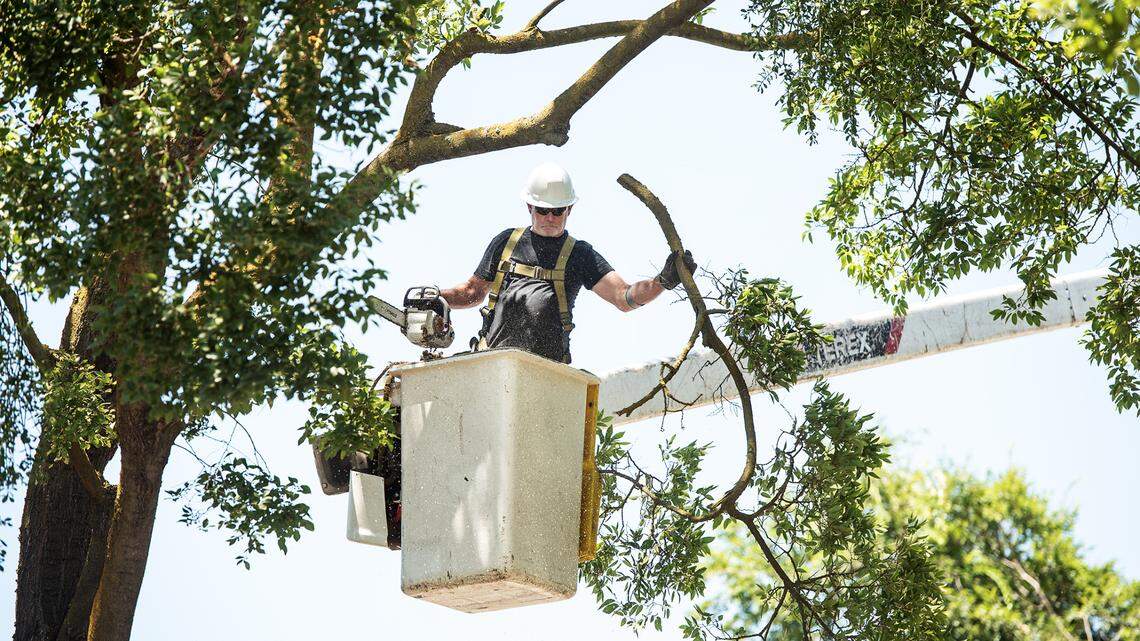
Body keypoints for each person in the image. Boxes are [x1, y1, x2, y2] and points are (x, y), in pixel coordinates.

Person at [440, 161, 696, 364]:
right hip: (494, 362)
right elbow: (472, 293)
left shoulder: (580, 254)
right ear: (529, 206)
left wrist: (664, 281)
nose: (550, 217)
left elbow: (623, 297)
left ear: (569, 209)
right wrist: (437, 298)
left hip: (547, 370)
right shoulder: (507, 242)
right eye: (543, 210)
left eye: (558, 210)